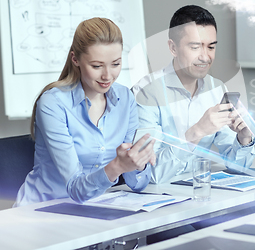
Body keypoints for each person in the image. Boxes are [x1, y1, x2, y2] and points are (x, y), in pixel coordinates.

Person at [15, 18, 156, 207]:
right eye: (97, 66)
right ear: (75, 59)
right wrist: (118, 166)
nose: (107, 76)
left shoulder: (125, 98)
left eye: (115, 64)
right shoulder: (53, 103)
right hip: (43, 211)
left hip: (96, 208)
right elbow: (76, 189)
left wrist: (139, 162)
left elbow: (137, 183)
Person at [132, 5, 255, 184]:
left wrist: (244, 138)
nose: (205, 57)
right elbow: (150, 174)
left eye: (211, 47)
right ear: (173, 48)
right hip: (161, 199)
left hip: (201, 192)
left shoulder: (217, 89)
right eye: (195, 47)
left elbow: (237, 166)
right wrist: (197, 132)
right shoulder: (146, 92)